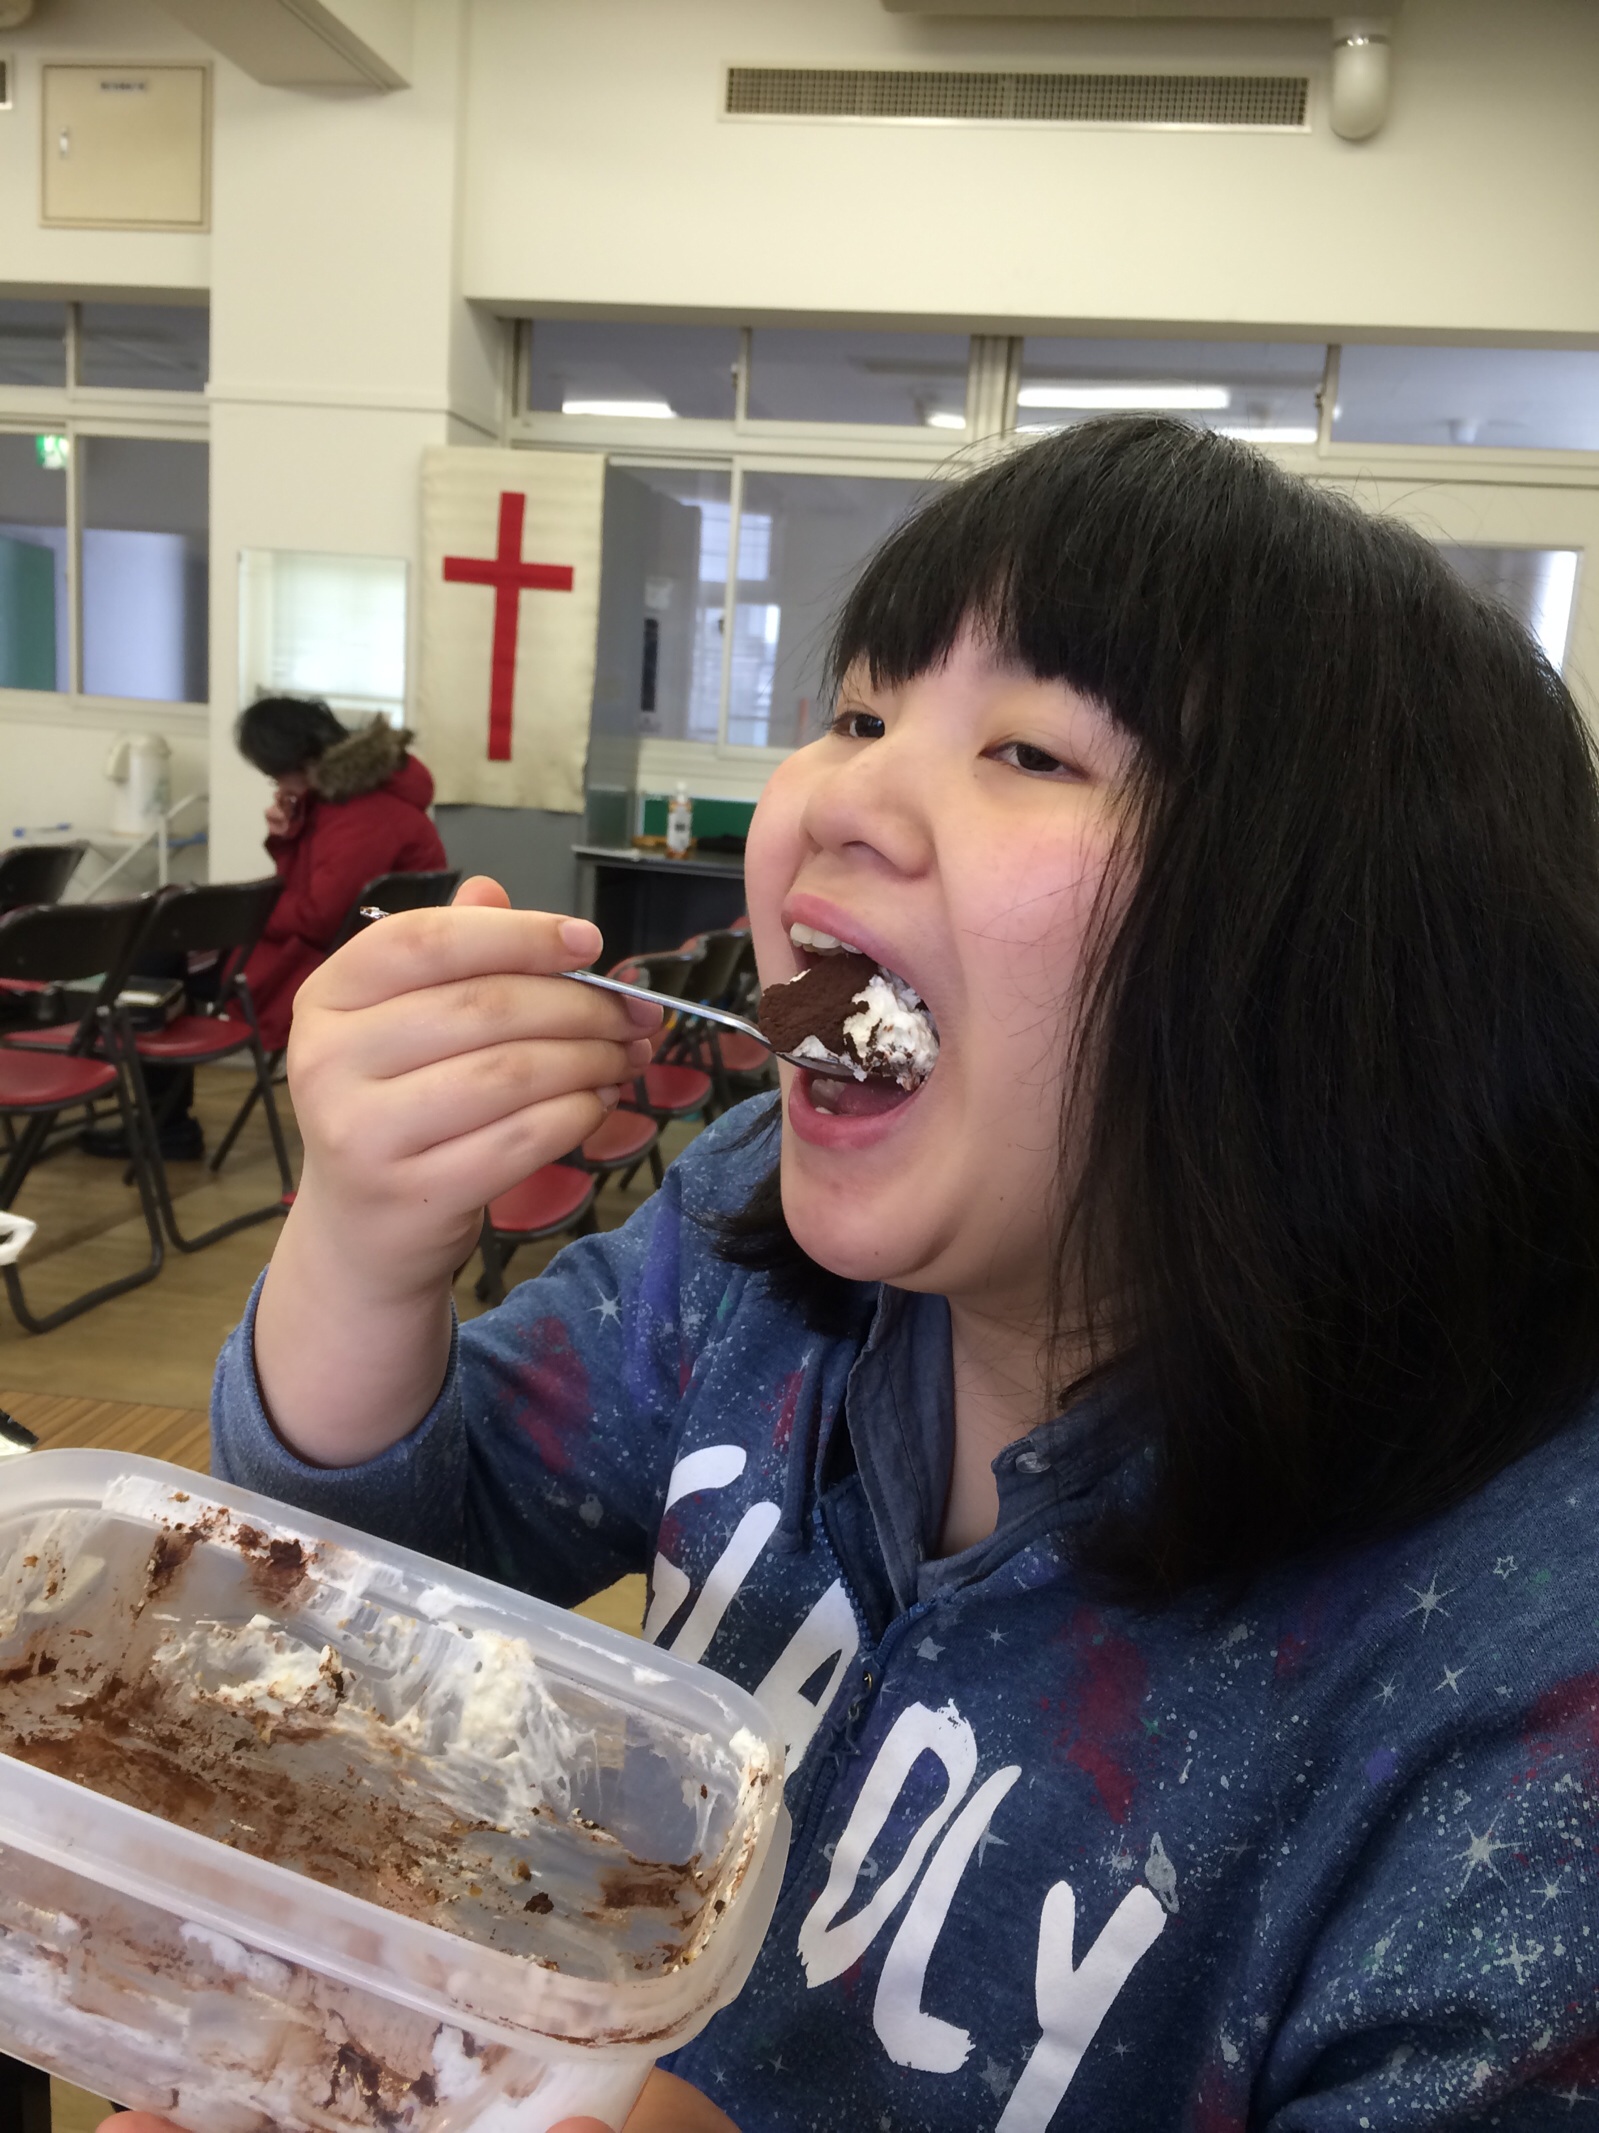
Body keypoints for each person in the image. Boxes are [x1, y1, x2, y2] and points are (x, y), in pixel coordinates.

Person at [126, 420, 1599, 2132]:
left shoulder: (1515, 1700)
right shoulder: (741, 1246)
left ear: (1344, 973)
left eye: (1029, 749)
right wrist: (366, 1242)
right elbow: (354, 1599)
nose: (835, 798)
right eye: (854, 715)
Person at [236, 695, 449, 1051]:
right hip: (367, 958)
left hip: (339, 968)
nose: (279, 787)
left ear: (298, 762)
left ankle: (161, 1083)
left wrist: (250, 912)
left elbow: (319, 919)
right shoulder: (361, 798)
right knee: (183, 952)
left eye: (275, 776)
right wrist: (288, 837)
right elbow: (309, 891)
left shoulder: (357, 813)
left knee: (175, 956)